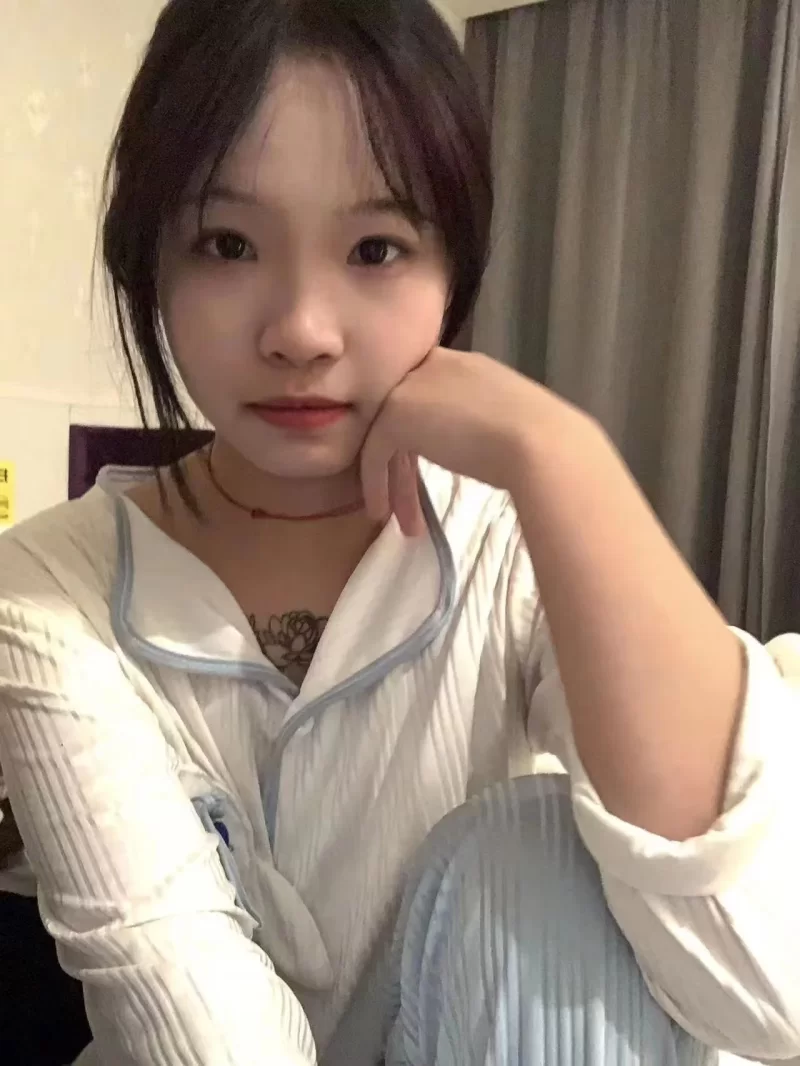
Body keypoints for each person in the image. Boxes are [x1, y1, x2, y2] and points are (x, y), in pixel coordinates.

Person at [0, 1, 799, 1063]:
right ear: (150, 260)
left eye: (375, 248)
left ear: (453, 267)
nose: (300, 331)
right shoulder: (46, 594)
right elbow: (195, 1034)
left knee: (529, 860)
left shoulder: (515, 541)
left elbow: (768, 983)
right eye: (227, 244)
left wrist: (561, 457)